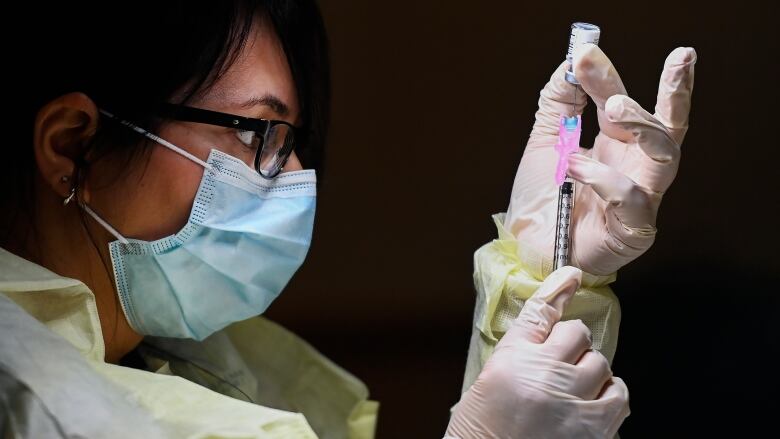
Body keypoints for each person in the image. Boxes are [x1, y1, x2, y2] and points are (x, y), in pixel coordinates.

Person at [0, 1, 696, 437]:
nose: (294, 175)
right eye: (257, 133)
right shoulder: (30, 401)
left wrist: (537, 272)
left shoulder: (188, 358)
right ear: (72, 144)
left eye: (292, 138)